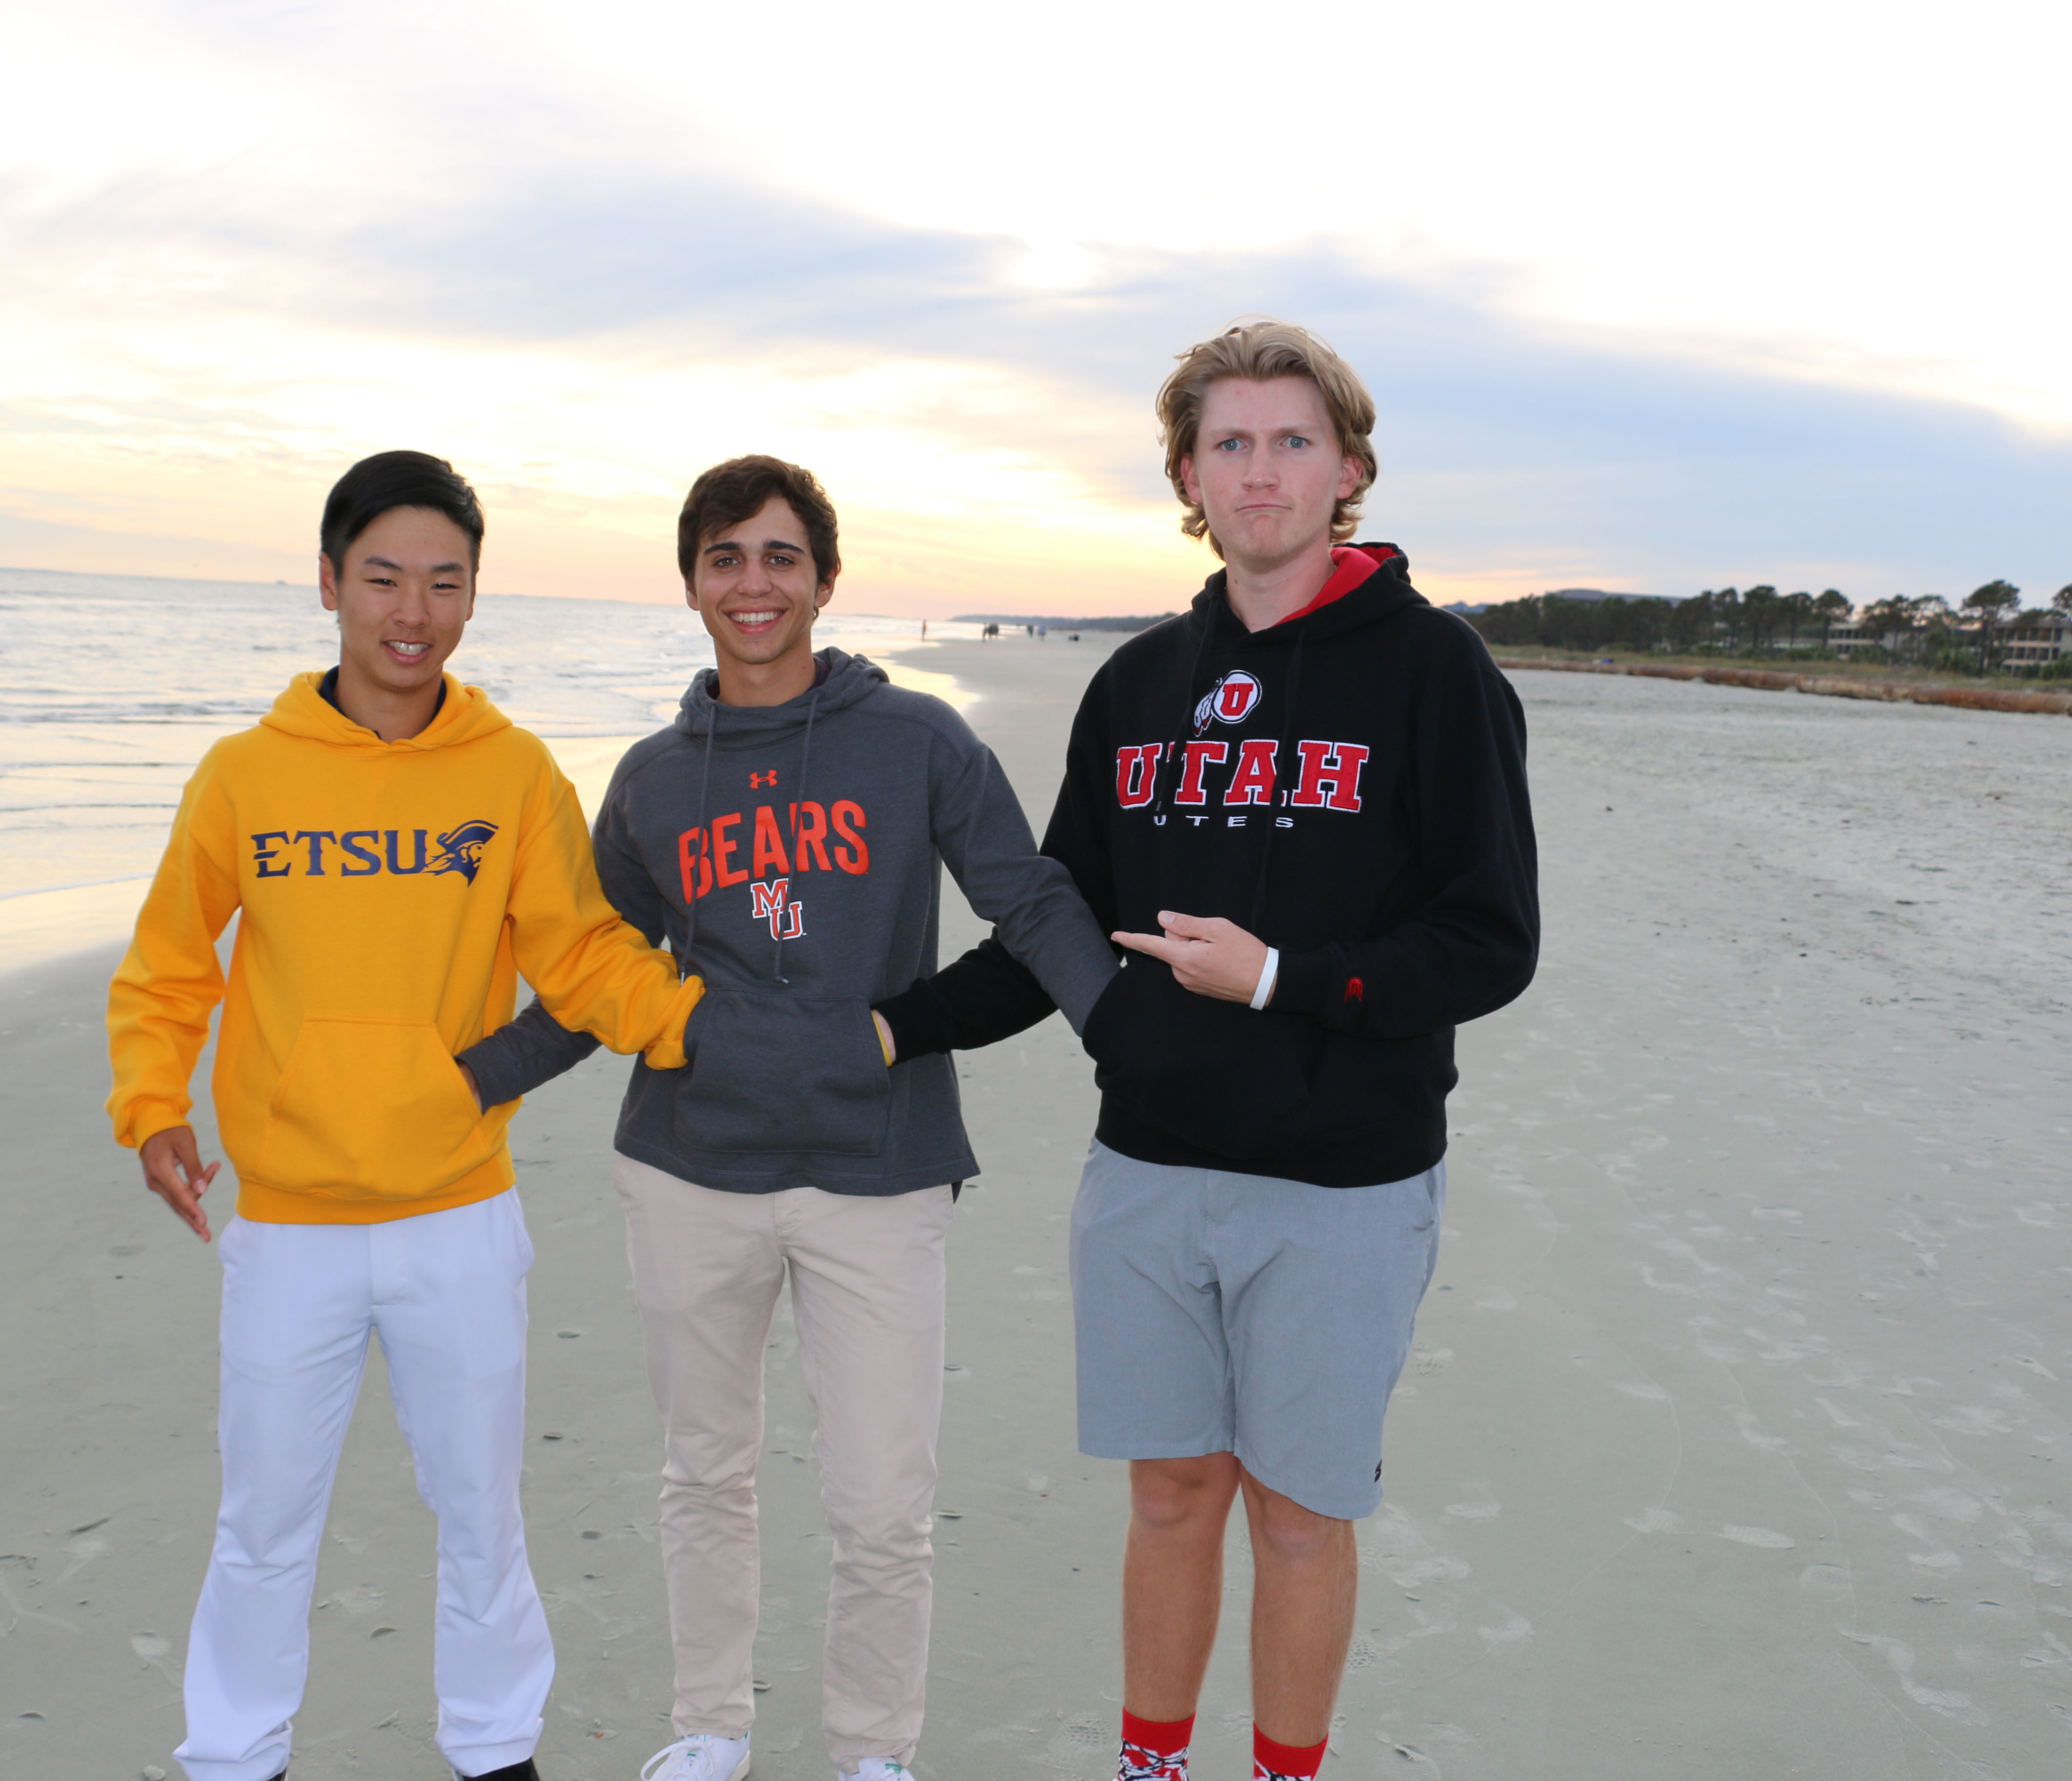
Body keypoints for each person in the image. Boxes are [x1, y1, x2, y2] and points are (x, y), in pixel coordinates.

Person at [870, 321, 1539, 1781]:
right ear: (1186, 474)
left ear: (1349, 468)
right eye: (1228, 443)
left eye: (1294, 440)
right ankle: (1151, 1765)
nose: (1260, 471)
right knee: (1172, 1494)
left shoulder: (1436, 671)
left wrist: (1284, 978)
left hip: (1345, 1179)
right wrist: (894, 1025)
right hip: (1151, 1170)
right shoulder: (1139, 684)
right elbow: (1056, 925)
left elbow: (1492, 941)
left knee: (1299, 1513)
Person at [456, 456, 1117, 1781]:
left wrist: (1129, 1038)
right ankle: (710, 1729)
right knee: (705, 1474)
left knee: (882, 1499)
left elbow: (1032, 900)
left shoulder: (919, 740)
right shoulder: (651, 779)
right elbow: (593, 974)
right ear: (692, 583)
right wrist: (470, 1079)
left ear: (824, 578)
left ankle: (874, 1750)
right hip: (689, 1170)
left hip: (880, 1169)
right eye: (725, 559)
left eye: (778, 557)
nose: (751, 584)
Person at [105, 450, 714, 1781]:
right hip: (288, 1224)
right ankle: (234, 1754)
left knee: (481, 1512)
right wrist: (152, 1107)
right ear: (329, 583)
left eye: (445, 583)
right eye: (384, 578)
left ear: (474, 597)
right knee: (265, 1520)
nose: (413, 612)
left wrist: (694, 1024)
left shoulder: (513, 774)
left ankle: (496, 1749)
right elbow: (169, 967)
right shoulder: (244, 776)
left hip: (457, 1213)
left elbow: (582, 954)